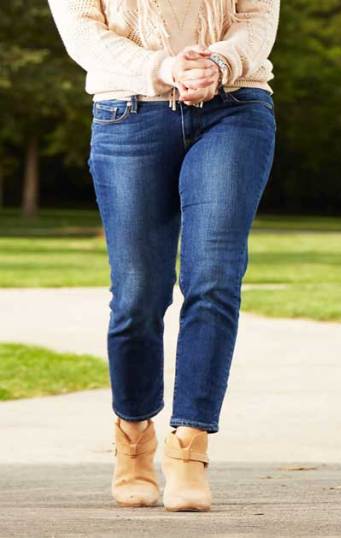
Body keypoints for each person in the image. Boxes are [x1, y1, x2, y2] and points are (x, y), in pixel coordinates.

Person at [48, 0, 280, 511]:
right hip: (127, 112)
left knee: (213, 279)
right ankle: (133, 440)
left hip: (235, 109)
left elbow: (257, 15)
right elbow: (82, 30)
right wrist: (165, 67)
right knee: (137, 293)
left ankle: (189, 451)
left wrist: (216, 65)